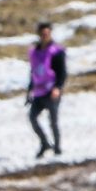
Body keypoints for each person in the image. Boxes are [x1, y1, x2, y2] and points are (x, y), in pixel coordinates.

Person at [26, 23, 66, 158]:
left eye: (47, 34)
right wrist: (30, 90)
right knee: (32, 118)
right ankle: (45, 143)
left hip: (51, 90)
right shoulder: (34, 52)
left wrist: (58, 87)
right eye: (43, 34)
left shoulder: (57, 51)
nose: (45, 36)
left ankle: (57, 148)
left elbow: (62, 72)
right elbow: (33, 72)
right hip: (38, 91)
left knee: (53, 121)